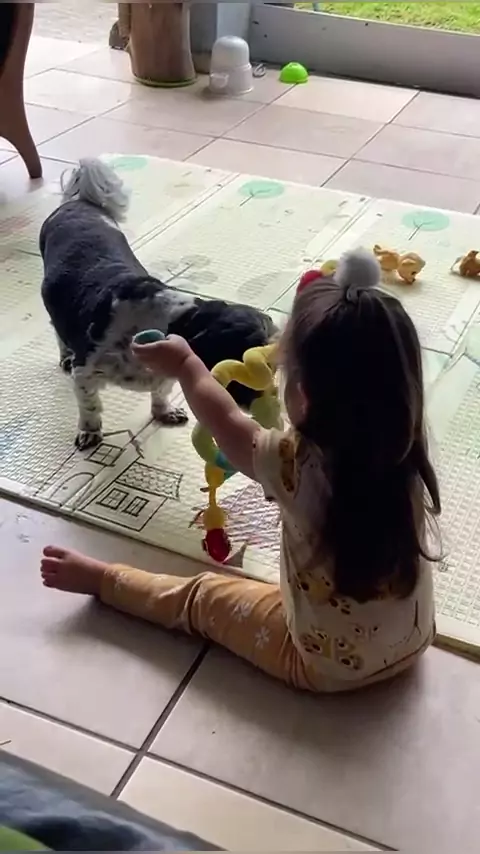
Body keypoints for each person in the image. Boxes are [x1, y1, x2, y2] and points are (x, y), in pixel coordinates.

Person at [41, 249, 441, 693]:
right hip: (414, 641)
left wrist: (186, 365)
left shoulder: (290, 462)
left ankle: (103, 581)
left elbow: (227, 421)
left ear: (303, 395)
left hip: (325, 666)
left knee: (202, 597)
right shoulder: (408, 451)